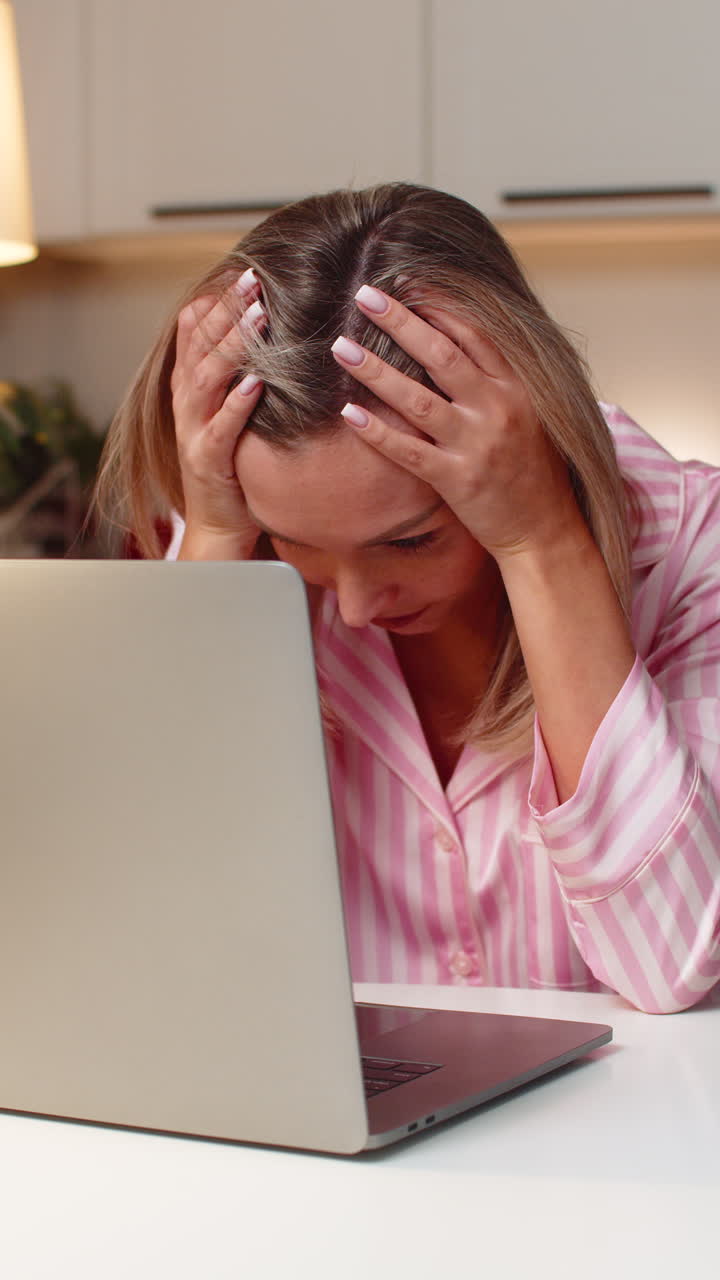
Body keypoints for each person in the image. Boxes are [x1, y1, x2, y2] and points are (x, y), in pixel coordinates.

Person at [95, 182, 720, 1015]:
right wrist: (215, 533)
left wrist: (541, 540)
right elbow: (134, 929)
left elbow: (671, 963)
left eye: (411, 540)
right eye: (300, 543)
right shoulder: (234, 549)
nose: (354, 607)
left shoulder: (689, 550)